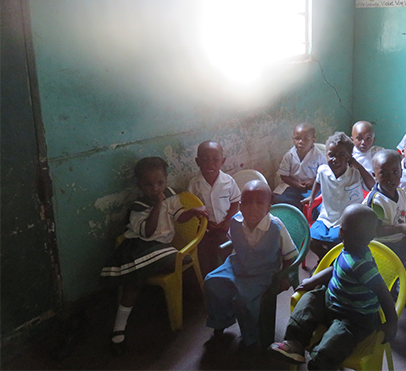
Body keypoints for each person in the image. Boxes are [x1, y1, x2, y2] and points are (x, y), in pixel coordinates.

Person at [268, 204, 397, 371]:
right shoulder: (348, 250)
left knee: (337, 339)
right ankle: (294, 343)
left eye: (361, 237)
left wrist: (392, 321)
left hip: (354, 318)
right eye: (355, 236)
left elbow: (383, 293)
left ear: (340, 231)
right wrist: (314, 280)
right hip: (332, 300)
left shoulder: (363, 265)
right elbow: (335, 267)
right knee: (310, 299)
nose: (357, 241)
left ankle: (322, 363)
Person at [100, 157, 208, 354]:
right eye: (148, 185)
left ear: (166, 180)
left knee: (168, 262)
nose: (155, 188)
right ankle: (119, 327)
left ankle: (139, 277)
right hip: (139, 247)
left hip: (160, 248)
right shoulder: (138, 207)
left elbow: (179, 217)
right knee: (136, 281)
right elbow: (148, 233)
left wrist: (193, 211)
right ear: (139, 185)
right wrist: (158, 206)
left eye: (160, 183)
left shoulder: (171, 196)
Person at [203, 180, 298, 350]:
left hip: (263, 271)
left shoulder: (276, 227)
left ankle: (250, 336)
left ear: (268, 207)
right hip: (238, 264)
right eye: (247, 203)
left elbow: (290, 254)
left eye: (259, 203)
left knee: (244, 300)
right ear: (240, 206)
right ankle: (221, 320)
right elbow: (235, 244)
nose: (252, 207)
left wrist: (286, 275)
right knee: (212, 281)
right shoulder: (236, 222)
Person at [365, 149, 406, 310]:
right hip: (380, 246)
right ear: (374, 175)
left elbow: (403, 216)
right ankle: (400, 286)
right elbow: (376, 230)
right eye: (384, 173)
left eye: (395, 172)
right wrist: (403, 227)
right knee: (396, 260)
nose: (391, 178)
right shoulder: (376, 200)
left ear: (401, 172)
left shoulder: (401, 194)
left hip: (400, 240)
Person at [306, 132, 375, 262]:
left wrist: (359, 166)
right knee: (310, 241)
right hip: (326, 217)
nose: (335, 159)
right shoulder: (323, 170)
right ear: (326, 155)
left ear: (349, 157)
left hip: (347, 221)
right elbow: (318, 181)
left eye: (341, 155)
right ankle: (325, 260)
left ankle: (333, 265)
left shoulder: (355, 173)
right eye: (331, 155)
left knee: (338, 243)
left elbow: (372, 186)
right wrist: (312, 197)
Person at [187, 141, 241, 275]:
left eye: (215, 159)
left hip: (225, 227)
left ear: (222, 161)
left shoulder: (228, 181)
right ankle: (209, 278)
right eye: (205, 160)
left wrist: (228, 221)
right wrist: (204, 225)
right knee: (204, 253)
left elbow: (235, 202)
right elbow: (192, 208)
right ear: (197, 162)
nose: (210, 164)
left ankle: (230, 274)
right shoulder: (194, 185)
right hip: (205, 230)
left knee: (228, 249)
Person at [273, 122, 327, 209]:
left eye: (306, 139)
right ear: (293, 138)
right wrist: (296, 184)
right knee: (278, 199)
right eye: (297, 138)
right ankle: (297, 210)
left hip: (312, 188)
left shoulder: (319, 156)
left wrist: (313, 181)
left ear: (313, 140)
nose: (301, 142)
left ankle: (307, 211)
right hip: (293, 186)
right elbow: (284, 175)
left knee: (319, 203)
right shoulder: (289, 155)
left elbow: (324, 174)